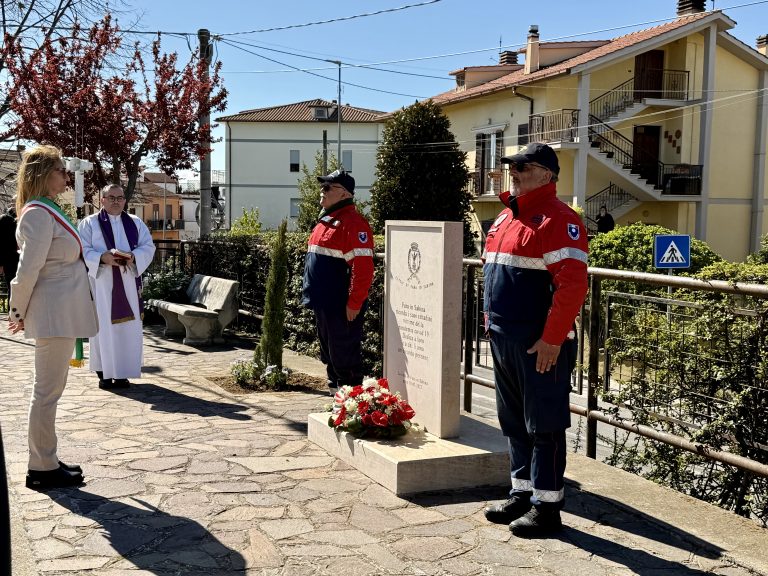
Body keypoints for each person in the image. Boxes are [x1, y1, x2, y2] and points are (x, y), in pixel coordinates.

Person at [482, 143, 588, 536]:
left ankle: (547, 507)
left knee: (544, 424)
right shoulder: (506, 217)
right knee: (513, 422)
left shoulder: (559, 219)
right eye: (513, 166)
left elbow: (572, 286)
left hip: (539, 343)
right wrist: (490, 323)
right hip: (503, 337)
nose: (514, 172)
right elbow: (494, 275)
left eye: (523, 167)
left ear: (546, 174)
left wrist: (552, 340)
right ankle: (522, 493)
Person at [9, 145, 98, 490]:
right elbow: (27, 270)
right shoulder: (37, 214)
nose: (66, 176)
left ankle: (46, 457)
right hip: (52, 313)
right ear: (44, 175)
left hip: (60, 312)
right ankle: (41, 467)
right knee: (46, 392)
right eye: (61, 170)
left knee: (50, 390)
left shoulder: (48, 210)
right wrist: (17, 310)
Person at [301, 170, 374, 395]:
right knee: (330, 357)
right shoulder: (327, 220)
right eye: (322, 187)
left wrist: (354, 303)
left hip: (340, 306)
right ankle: (337, 404)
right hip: (323, 303)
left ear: (344, 194)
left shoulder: (353, 223)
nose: (321, 192)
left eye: (327, 188)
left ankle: (352, 406)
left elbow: (363, 269)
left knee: (345, 359)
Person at [79, 184, 155, 389]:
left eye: (119, 197)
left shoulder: (136, 223)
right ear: (102, 200)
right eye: (111, 197)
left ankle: (122, 374)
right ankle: (104, 373)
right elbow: (82, 249)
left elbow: (148, 246)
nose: (116, 201)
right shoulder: (89, 223)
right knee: (103, 328)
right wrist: (101, 258)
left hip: (129, 283)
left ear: (124, 201)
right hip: (102, 285)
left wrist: (133, 256)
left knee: (127, 330)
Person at [0, 204, 19, 293]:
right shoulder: (12, 221)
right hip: (15, 258)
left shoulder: (3, 219)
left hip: (9, 260)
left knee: (11, 289)